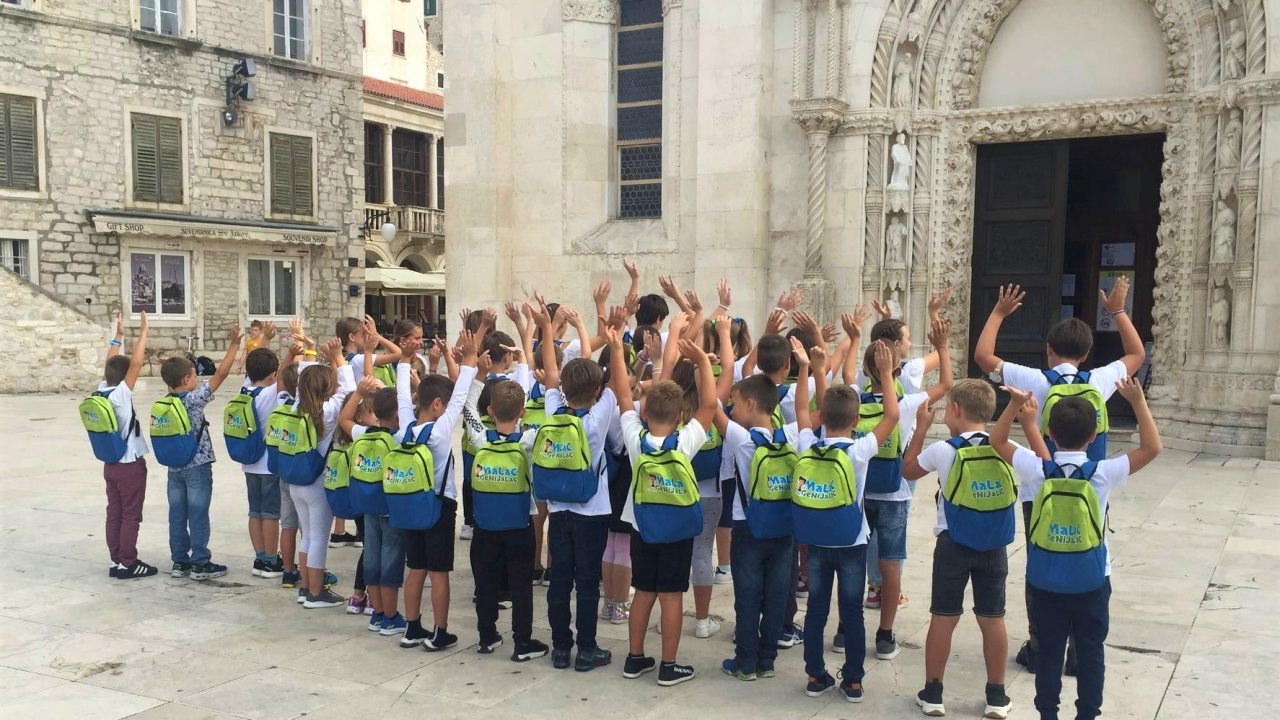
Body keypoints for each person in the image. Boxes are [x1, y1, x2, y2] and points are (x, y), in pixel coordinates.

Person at [974, 278, 1144, 671]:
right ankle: (1079, 651)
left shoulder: (1034, 380)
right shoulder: (1099, 381)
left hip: (1040, 485)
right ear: (1086, 355)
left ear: (1048, 350)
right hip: (1091, 484)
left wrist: (999, 313)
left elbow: (985, 357)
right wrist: (1117, 310)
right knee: (1088, 550)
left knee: (1043, 561)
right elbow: (1135, 353)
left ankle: (1041, 646)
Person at [990, 379, 1162, 720]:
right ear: (1094, 435)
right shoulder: (1102, 473)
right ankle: (1087, 714)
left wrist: (1015, 406)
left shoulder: (1036, 468)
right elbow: (1152, 447)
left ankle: (1048, 714)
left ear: (1049, 432)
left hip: (1046, 577)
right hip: (1091, 577)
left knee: (1050, 651)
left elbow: (996, 440)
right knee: (1091, 651)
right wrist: (1138, 402)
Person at [903, 379, 1026, 719]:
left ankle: (933, 693)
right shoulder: (1007, 447)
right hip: (994, 544)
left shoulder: (944, 450)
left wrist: (921, 430)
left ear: (956, 410)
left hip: (952, 542)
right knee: (992, 618)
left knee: (943, 616)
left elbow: (908, 469)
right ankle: (996, 696)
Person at [792, 339, 899, 704]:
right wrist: (885, 375)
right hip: (852, 540)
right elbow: (892, 418)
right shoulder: (859, 450)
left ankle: (814, 674)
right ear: (855, 421)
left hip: (817, 540)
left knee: (816, 610)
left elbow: (802, 413)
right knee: (852, 611)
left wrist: (809, 368)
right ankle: (853, 680)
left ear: (823, 417)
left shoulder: (809, 444)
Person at [612, 328, 716, 687]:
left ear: (646, 411)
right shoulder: (685, 440)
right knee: (672, 595)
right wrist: (702, 361)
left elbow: (623, 395)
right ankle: (669, 665)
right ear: (679, 416)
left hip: (642, 524)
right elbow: (709, 406)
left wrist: (616, 347)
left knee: (643, 592)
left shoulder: (635, 437)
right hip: (677, 530)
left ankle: (635, 657)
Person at [855, 319, 953, 662]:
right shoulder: (907, 403)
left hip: (861, 490)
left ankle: (845, 630)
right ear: (895, 368)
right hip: (895, 491)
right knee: (892, 562)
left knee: (855, 558)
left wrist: (853, 339)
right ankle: (884, 635)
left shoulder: (855, 398)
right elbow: (946, 384)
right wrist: (942, 346)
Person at [530, 302, 617, 672]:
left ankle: (561, 648)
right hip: (592, 510)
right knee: (587, 582)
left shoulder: (554, 410)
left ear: (564, 388)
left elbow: (552, 371)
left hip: (559, 508)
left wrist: (548, 330)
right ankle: (587, 650)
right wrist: (595, 334)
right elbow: (610, 382)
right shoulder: (598, 417)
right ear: (598, 388)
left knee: (560, 580)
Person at [393, 329, 478, 649]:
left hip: (410, 505)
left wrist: (404, 360)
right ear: (438, 404)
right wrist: (468, 358)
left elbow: (403, 397)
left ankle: (412, 627)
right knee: (439, 571)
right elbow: (462, 396)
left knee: (416, 567)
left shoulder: (405, 429)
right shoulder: (440, 431)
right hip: (439, 506)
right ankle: (440, 631)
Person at [715, 373, 802, 682]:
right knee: (777, 595)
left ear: (750, 404)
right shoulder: (791, 435)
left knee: (748, 596)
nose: (731, 409)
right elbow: (807, 411)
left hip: (747, 528)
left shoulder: (741, 439)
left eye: (735, 404)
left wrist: (704, 363)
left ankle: (745, 661)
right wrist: (807, 369)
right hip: (784, 530)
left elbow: (710, 406)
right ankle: (767, 660)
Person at [462, 376, 550, 661]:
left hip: (485, 526)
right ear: (523, 412)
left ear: (490, 410)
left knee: (485, 581)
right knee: (521, 583)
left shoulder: (479, 437)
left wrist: (476, 377)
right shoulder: (529, 439)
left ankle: (487, 636)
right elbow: (552, 414)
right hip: (519, 524)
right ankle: (522, 642)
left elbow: (466, 407)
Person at [152, 325, 241, 581]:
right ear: (187, 380)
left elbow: (174, 374)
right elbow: (221, 374)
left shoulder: (166, 400)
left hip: (174, 467)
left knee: (177, 514)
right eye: (194, 376)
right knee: (198, 513)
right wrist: (234, 344)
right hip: (197, 465)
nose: (197, 379)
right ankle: (201, 562)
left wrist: (170, 364)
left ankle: (180, 562)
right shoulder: (193, 400)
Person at [277, 336, 356, 608]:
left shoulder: (298, 407)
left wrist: (310, 352)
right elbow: (351, 389)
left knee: (307, 536)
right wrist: (338, 357)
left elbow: (303, 379)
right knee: (319, 537)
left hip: (296, 482)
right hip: (317, 484)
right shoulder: (329, 411)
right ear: (327, 388)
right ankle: (315, 592)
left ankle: (305, 588)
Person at [80, 312, 155, 579]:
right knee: (130, 515)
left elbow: (110, 365)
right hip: (129, 465)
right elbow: (133, 365)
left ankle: (116, 560)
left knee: (114, 513)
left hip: (110, 464)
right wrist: (143, 333)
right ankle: (128, 562)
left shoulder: (102, 390)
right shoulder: (122, 395)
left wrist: (119, 336)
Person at [228, 331, 293, 580]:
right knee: (271, 514)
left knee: (254, 511)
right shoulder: (270, 395)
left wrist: (265, 340)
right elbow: (283, 373)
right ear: (273, 375)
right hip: (268, 465)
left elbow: (259, 366)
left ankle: (259, 556)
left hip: (249, 463)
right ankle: (270, 560)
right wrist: (291, 353)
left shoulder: (245, 389)